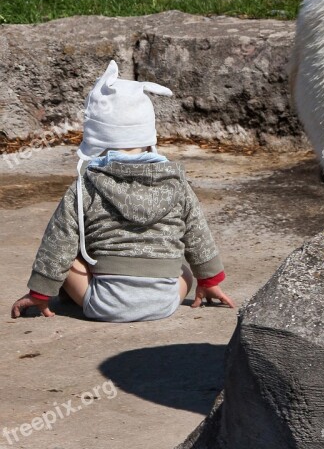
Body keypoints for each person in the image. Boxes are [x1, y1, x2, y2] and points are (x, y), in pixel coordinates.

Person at [10, 60, 234, 322]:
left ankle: (73, 291)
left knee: (69, 257)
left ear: (95, 139)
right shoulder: (177, 183)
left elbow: (57, 242)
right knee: (183, 270)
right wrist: (208, 280)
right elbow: (198, 234)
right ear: (149, 137)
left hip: (104, 303)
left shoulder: (86, 185)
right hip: (166, 301)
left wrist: (39, 292)